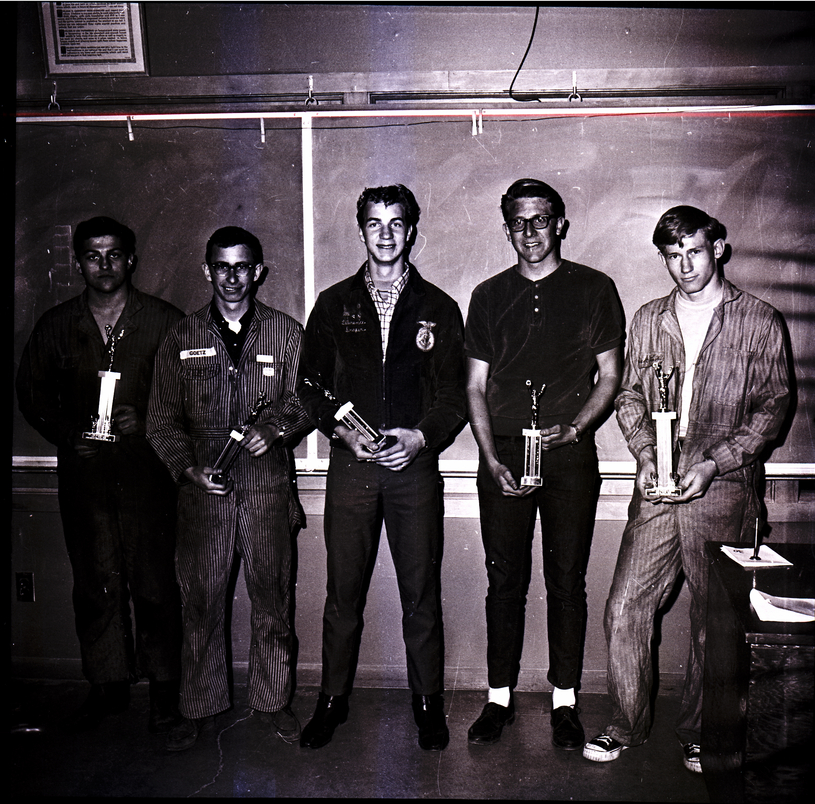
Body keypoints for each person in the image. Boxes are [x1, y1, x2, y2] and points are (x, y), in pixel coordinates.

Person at [583, 206, 790, 772]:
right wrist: (647, 456)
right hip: (657, 486)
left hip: (723, 488)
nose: (684, 266)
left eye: (694, 252)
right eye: (672, 256)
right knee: (625, 606)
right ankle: (626, 724)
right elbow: (629, 395)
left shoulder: (760, 320)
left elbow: (773, 407)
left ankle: (701, 731)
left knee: (711, 618)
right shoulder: (649, 318)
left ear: (717, 249)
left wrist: (716, 464)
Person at [297, 184, 466, 751]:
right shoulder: (333, 303)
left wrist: (420, 437)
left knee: (421, 592)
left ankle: (428, 702)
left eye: (397, 223)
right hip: (352, 469)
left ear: (411, 231)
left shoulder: (438, 307)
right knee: (343, 594)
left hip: (413, 471)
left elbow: (453, 395)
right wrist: (340, 431)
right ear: (361, 230)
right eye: (375, 223)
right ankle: (332, 700)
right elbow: (310, 386)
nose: (386, 234)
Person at [464, 179, 623, 750]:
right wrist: (489, 458)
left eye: (540, 219)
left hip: (569, 453)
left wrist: (576, 428)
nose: (529, 231)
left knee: (566, 580)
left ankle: (565, 702)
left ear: (560, 224)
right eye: (518, 221)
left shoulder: (594, 288)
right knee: (504, 580)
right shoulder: (488, 296)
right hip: (505, 454)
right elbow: (474, 386)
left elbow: (611, 375)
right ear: (507, 228)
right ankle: (498, 698)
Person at [16, 216, 185, 733]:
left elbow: (193, 392)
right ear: (79, 262)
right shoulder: (57, 324)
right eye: (93, 255)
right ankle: (107, 685)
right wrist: (69, 434)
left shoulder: (164, 320)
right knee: (95, 583)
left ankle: (165, 691)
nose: (105, 265)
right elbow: (31, 393)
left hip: (147, 474)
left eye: (114, 254)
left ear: (131, 259)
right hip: (85, 476)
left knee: (155, 585)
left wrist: (149, 417)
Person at [146, 226, 311, 751]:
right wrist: (186, 469)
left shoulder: (286, 333)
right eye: (222, 266)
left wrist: (276, 428)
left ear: (258, 271)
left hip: (266, 485)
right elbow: (160, 420)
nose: (232, 277)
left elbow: (307, 399)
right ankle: (199, 706)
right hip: (205, 490)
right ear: (207, 270)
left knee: (272, 599)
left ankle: (273, 700)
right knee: (200, 602)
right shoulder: (182, 335)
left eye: (242, 266)